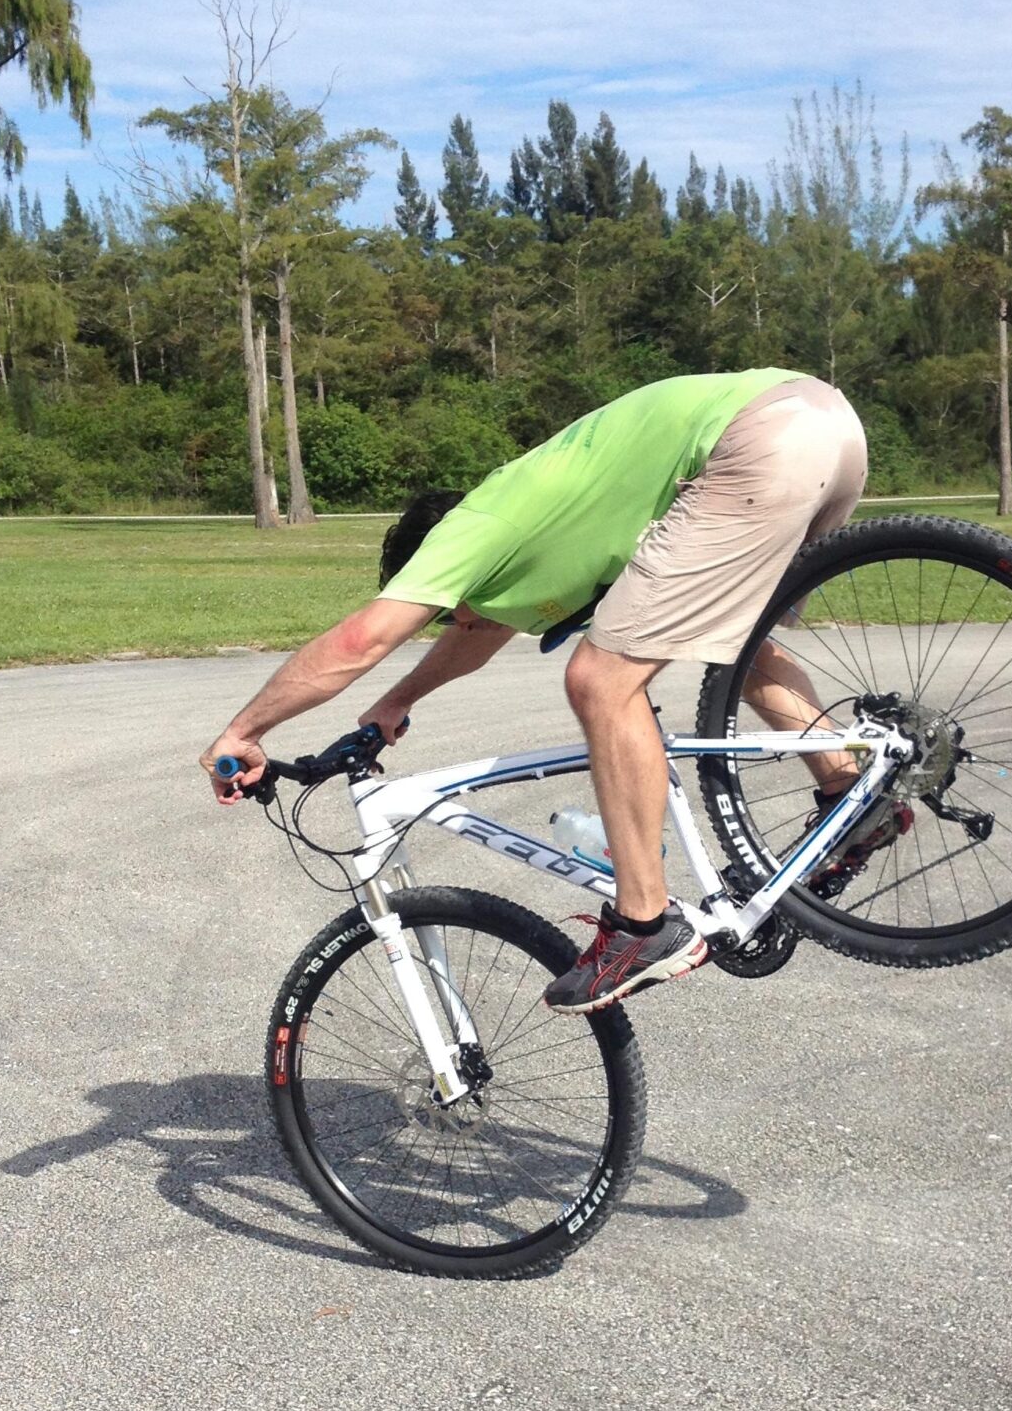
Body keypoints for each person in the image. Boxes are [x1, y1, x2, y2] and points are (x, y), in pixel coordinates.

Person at [202, 369, 882, 1013]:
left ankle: (644, 922)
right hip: (825, 428)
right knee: (743, 649)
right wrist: (396, 703)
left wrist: (244, 731)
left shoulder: (472, 526)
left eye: (444, 607)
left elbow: (362, 641)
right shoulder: (534, 520)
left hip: (754, 441)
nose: (455, 621)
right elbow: (481, 627)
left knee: (599, 680)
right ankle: (850, 797)